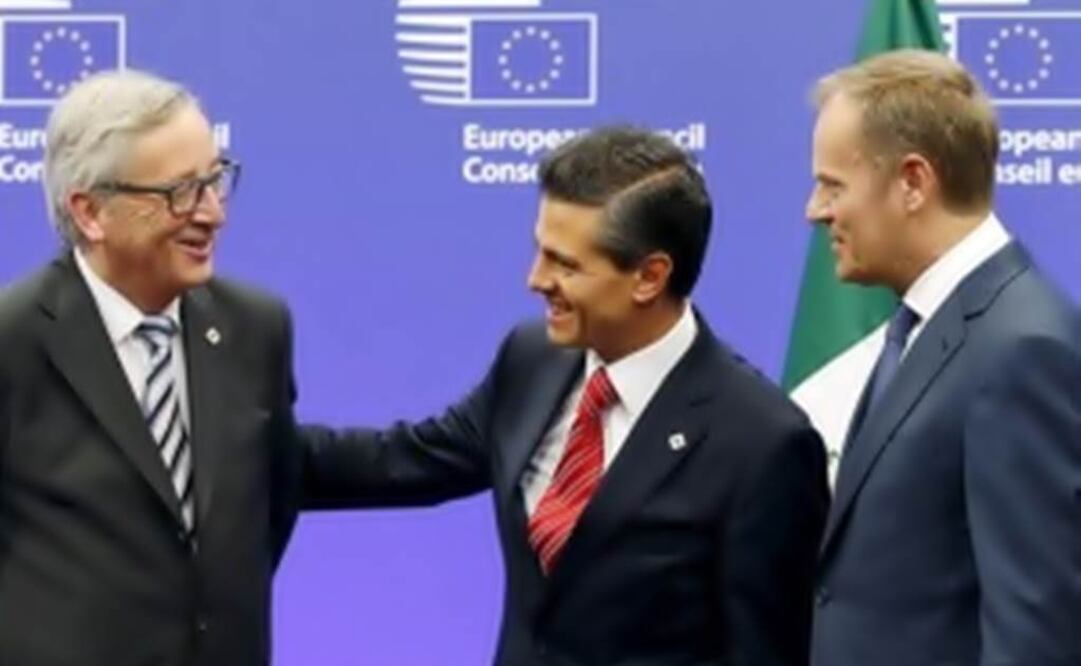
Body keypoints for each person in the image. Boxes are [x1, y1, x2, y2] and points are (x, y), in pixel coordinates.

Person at [303, 126, 829, 665]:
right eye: (540, 251)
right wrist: (230, 440)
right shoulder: (532, 360)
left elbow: (767, 651)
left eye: (566, 264)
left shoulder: (762, 442)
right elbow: (405, 460)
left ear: (649, 276)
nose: (536, 279)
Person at [0, 70, 302, 665]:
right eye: (179, 193)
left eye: (216, 182)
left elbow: (272, 499)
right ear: (90, 213)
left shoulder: (256, 328)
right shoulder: (14, 343)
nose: (213, 214)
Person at [806, 49, 1081, 665]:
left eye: (832, 185)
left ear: (912, 182)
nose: (815, 210)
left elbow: (1035, 629)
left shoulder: (1022, 348)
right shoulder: (927, 329)